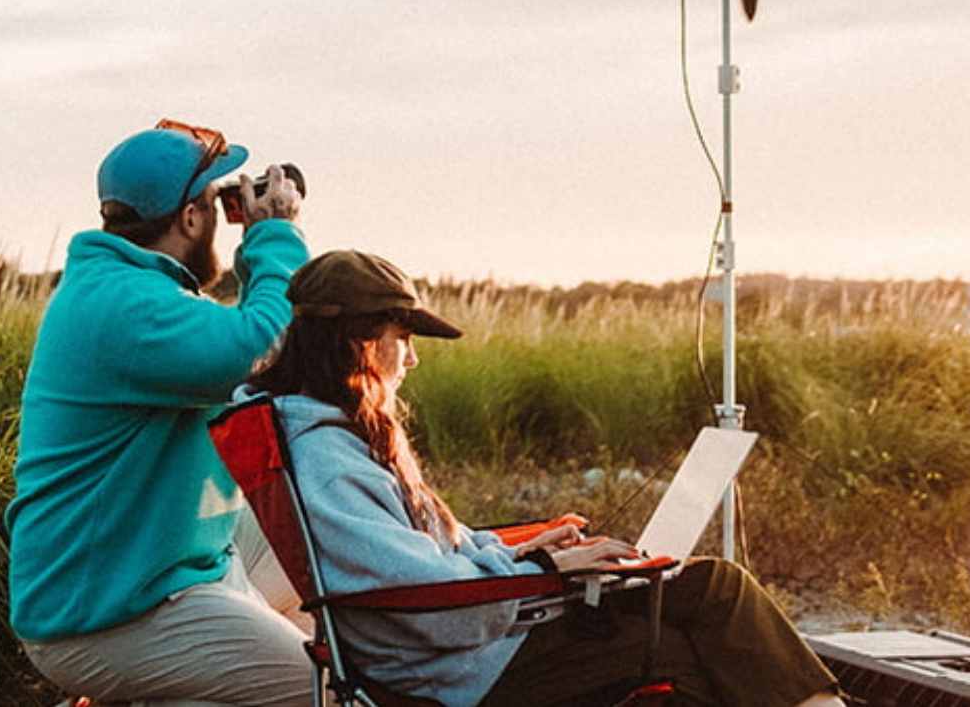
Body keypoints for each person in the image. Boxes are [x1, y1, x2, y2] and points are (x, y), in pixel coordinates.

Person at [241, 249, 844, 707]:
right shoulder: (327, 457)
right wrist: (545, 574)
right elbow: (432, 608)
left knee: (709, 587)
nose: (413, 358)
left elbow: (427, 555)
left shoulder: (340, 435)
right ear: (360, 342)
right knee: (685, 652)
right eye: (404, 337)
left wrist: (526, 548)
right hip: (458, 668)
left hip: (473, 639)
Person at [6, 118, 315, 705]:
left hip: (159, 560)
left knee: (318, 540)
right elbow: (260, 350)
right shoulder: (123, 305)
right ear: (193, 218)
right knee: (324, 688)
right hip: (106, 613)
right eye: (213, 202)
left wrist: (259, 257)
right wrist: (275, 235)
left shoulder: (133, 291)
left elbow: (239, 338)